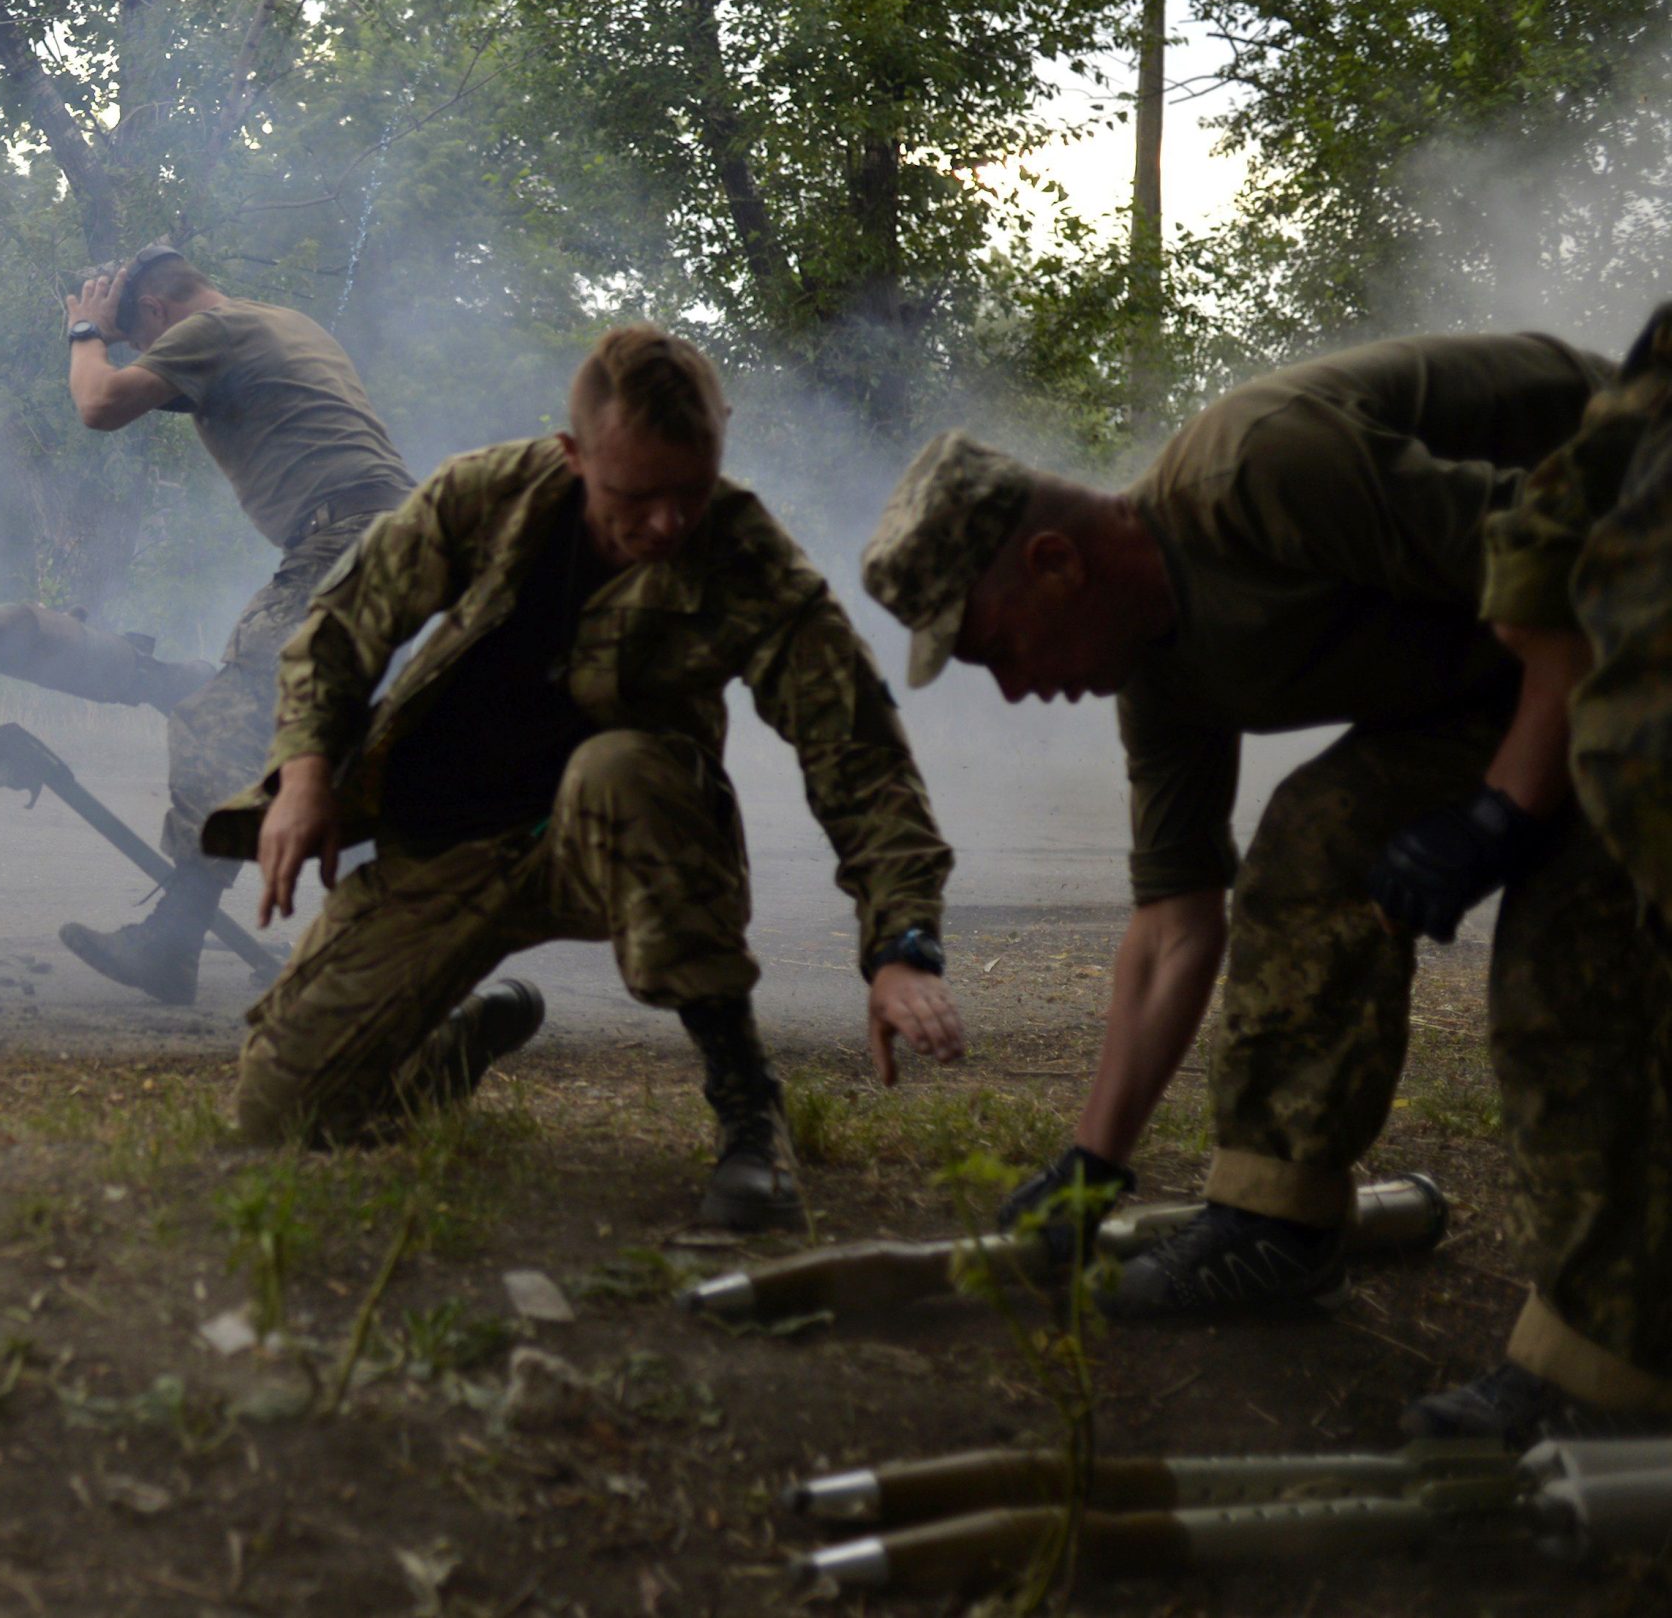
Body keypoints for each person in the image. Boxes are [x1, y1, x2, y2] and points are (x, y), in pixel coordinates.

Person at [860, 332, 1611, 1310]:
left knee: (1567, 960)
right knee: (1316, 838)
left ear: (1055, 563)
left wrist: (1502, 810)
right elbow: (1174, 925)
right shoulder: (1160, 679)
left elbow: (1575, 569)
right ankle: (1277, 1222)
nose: (1010, 688)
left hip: (1630, 572)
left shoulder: (1261, 470)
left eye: (998, 648)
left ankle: (1601, 1343)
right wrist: (1091, 1164)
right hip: (1519, 664)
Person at [196, 325, 965, 1230]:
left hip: (615, 843)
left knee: (623, 765)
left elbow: (861, 757)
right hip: (443, 844)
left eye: (690, 490)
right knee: (276, 1117)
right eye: (634, 496)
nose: (667, 524)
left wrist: (902, 947)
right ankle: (440, 1057)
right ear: (572, 454)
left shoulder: (748, 558)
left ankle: (749, 1112)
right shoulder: (487, 494)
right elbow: (339, 627)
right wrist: (304, 776)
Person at [1400, 305, 1672, 1444]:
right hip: (1632, 780)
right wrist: (1507, 804)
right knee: (1571, 974)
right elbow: (1601, 455)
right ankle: (1605, 1366)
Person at [58, 246, 416, 1004]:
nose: (141, 351)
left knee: (219, 720)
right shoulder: (281, 322)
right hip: (404, 538)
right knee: (344, 752)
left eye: (139, 335)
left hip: (345, 543)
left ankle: (171, 943)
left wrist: (85, 332)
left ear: (155, 309)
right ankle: (392, 955)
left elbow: (99, 405)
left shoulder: (210, 331)